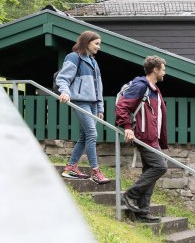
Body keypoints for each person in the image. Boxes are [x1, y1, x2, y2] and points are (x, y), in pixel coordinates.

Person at [115, 56, 168, 222]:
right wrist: (128, 128)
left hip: (153, 138)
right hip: (143, 137)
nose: (165, 72)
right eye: (163, 69)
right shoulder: (140, 86)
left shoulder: (154, 90)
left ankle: (142, 212)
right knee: (160, 167)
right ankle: (130, 195)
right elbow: (122, 106)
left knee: (149, 171)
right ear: (155, 70)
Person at [56, 31, 110, 184]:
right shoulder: (73, 57)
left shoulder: (93, 62)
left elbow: (99, 87)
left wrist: (100, 108)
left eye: (99, 44)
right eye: (96, 44)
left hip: (93, 104)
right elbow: (63, 78)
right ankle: (95, 171)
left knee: (84, 136)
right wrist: (65, 92)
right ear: (87, 42)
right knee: (92, 134)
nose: (99, 47)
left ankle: (70, 167)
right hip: (80, 102)